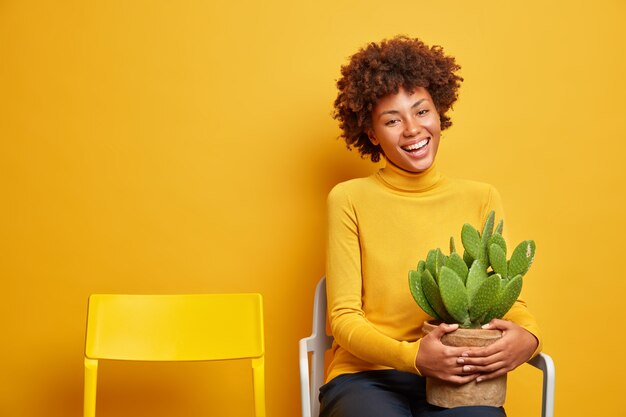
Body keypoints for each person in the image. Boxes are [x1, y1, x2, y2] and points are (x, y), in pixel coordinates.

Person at [321, 36, 542, 417]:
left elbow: (508, 296)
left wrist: (530, 337)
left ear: (439, 113)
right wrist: (413, 357)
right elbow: (342, 318)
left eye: (421, 111)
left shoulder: (482, 197)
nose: (411, 129)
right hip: (366, 376)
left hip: (459, 374)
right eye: (392, 120)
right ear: (372, 134)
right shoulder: (348, 198)